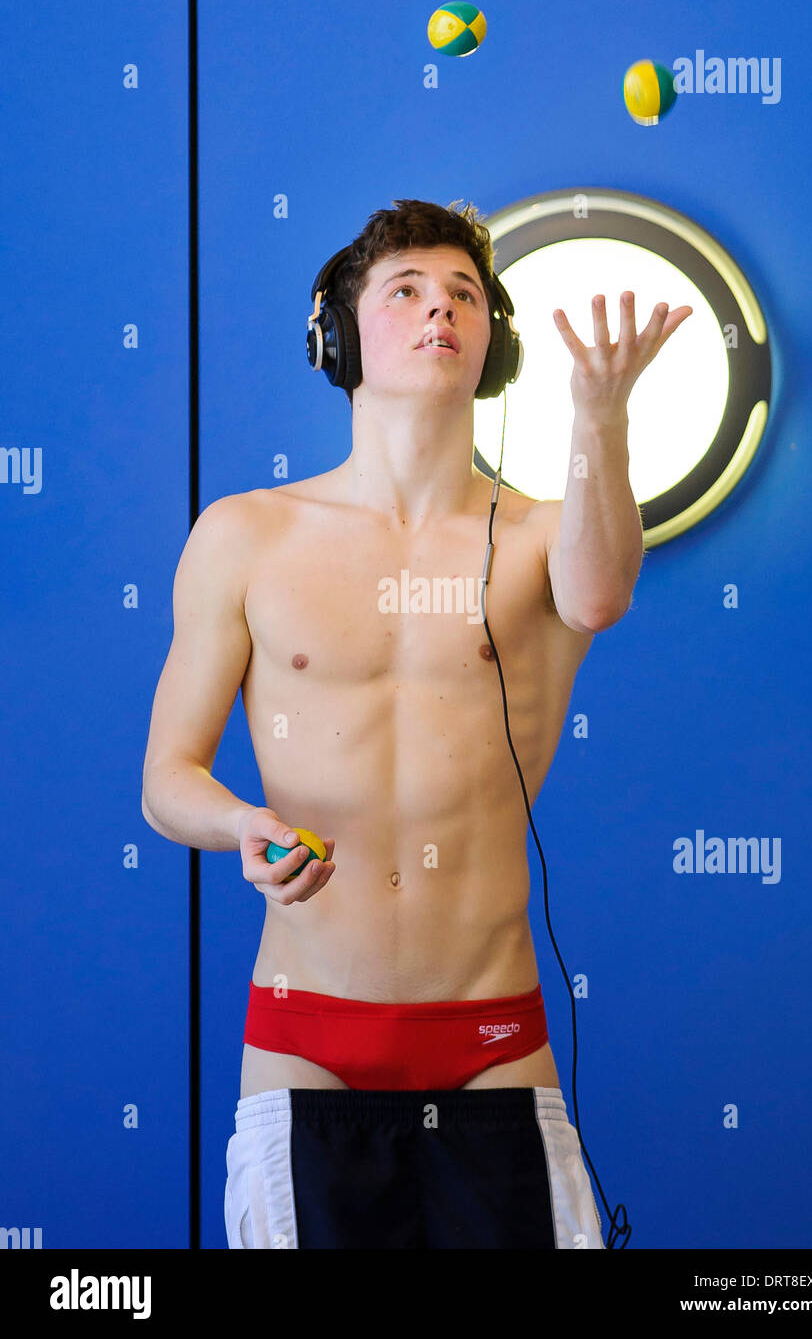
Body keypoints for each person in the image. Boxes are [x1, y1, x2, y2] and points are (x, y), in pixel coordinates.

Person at [141, 197, 690, 1249]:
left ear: (495, 343)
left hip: (492, 1034)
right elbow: (168, 776)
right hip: (306, 1033)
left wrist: (600, 415)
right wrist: (240, 824)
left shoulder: (537, 534)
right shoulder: (246, 535)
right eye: (406, 291)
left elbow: (600, 594)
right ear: (339, 338)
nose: (440, 309)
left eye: (465, 295)